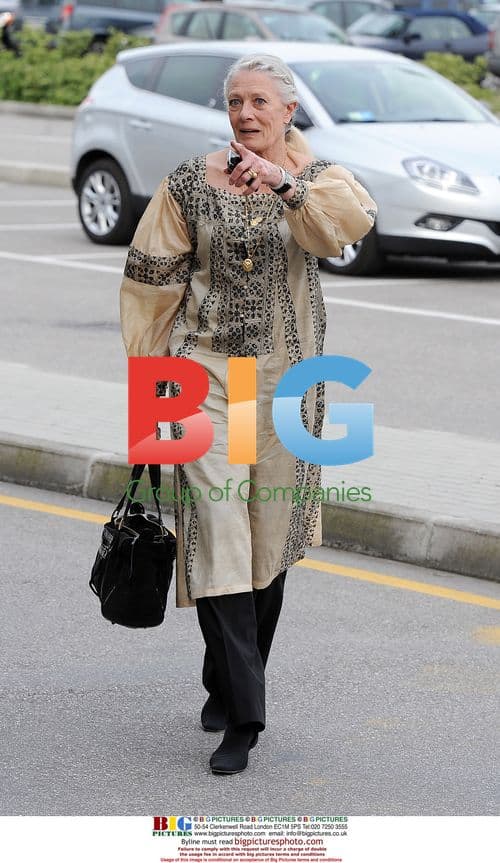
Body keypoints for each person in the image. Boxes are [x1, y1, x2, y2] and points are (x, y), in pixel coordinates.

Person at [120, 53, 377, 776]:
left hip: (287, 389)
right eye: (235, 101)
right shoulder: (186, 183)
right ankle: (245, 713)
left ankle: (226, 674)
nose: (245, 113)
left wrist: (286, 185)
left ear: (288, 110)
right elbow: (149, 285)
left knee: (268, 533)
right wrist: (150, 396)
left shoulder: (320, 180)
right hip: (203, 379)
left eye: (259, 100)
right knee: (217, 527)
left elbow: (344, 231)